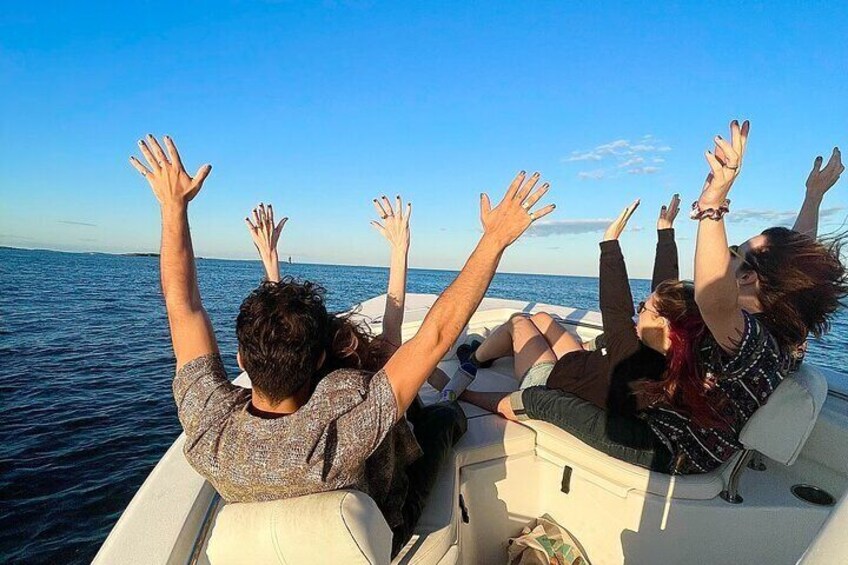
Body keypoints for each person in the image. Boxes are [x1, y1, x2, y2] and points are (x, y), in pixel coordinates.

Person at [128, 135, 555, 556]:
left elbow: (182, 308)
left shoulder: (209, 431)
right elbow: (437, 335)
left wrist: (173, 207)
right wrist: (494, 239)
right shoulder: (345, 424)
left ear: (242, 359)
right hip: (390, 524)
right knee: (444, 416)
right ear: (319, 359)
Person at [447, 121, 848, 475]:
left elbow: (712, 298)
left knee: (543, 402)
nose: (725, 259)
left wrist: (712, 207)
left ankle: (457, 391)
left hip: (671, 449)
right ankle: (472, 367)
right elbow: (795, 276)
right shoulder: (786, 332)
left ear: (747, 278)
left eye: (734, 253)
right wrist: (812, 197)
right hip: (688, 423)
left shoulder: (750, 342)